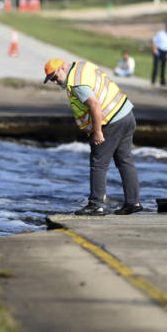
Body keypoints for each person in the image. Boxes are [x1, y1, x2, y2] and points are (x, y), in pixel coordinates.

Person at [43, 58, 143, 216]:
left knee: (98, 163)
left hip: (111, 120)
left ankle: (96, 204)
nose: (55, 82)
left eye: (55, 77)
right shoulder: (81, 66)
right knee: (125, 160)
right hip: (126, 114)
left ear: (63, 68)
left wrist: (97, 131)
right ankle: (133, 202)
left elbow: (95, 105)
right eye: (51, 80)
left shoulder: (76, 82)